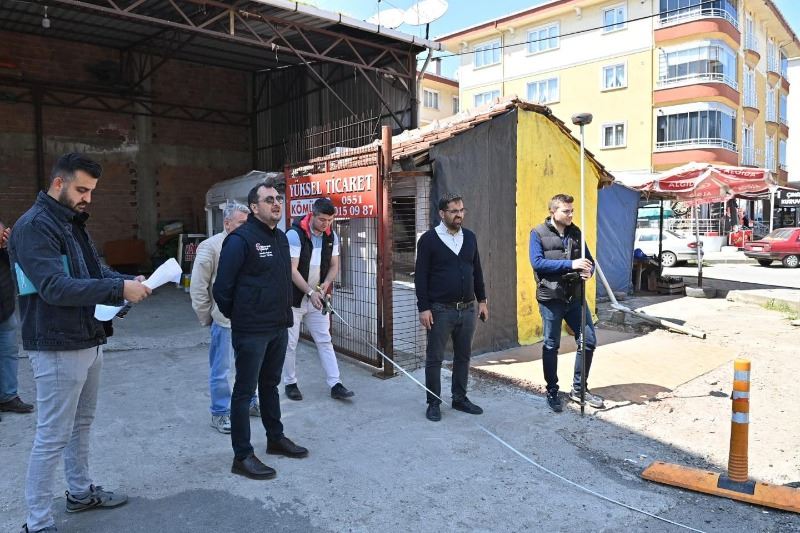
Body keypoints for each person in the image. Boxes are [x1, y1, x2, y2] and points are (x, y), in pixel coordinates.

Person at [9, 153, 151, 533]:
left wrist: (124, 281)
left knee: (81, 424)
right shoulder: (34, 227)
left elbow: (94, 271)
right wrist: (118, 289)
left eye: (91, 191)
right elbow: (54, 287)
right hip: (57, 344)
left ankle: (80, 492)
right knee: (52, 435)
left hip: (88, 336)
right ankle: (38, 523)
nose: (88, 198)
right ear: (59, 183)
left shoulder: (71, 223)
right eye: (82, 189)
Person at [213, 179, 308, 480]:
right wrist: (243, 316)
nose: (276, 203)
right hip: (252, 330)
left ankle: (275, 438)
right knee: (244, 391)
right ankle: (242, 455)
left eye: (278, 199)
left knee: (270, 385)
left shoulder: (280, 238)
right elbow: (222, 289)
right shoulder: (240, 240)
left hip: (278, 326)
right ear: (254, 207)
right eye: (269, 200)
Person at [415, 193, 488, 422]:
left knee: (463, 356)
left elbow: (476, 271)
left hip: (467, 309)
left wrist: (482, 300)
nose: (459, 215)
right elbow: (420, 277)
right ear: (442, 213)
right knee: (434, 358)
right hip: (440, 310)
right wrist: (424, 308)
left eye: (461, 210)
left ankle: (459, 398)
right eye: (454, 211)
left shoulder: (470, 237)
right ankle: (433, 402)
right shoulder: (429, 240)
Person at [529, 193, 604, 413]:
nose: (571, 215)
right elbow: (537, 263)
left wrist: (588, 271)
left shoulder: (576, 232)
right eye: (566, 211)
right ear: (553, 211)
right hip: (551, 298)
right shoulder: (537, 233)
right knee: (551, 345)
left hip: (575, 297)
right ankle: (552, 390)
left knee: (588, 340)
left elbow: (589, 261)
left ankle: (579, 389)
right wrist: (571, 264)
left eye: (572, 211)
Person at [190, 202, 260, 435]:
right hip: (224, 321)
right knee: (221, 370)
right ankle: (220, 412)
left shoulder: (251, 243)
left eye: (248, 223)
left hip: (250, 320)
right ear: (227, 223)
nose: (246, 227)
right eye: (241, 223)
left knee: (249, 366)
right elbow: (198, 287)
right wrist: (207, 317)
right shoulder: (210, 247)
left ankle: (250, 401)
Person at [282, 198, 354, 402]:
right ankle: (290, 383)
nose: (326, 224)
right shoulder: (294, 234)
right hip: (294, 299)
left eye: (330, 220)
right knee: (290, 343)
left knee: (324, 340)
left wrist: (324, 287)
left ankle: (335, 384)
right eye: (322, 219)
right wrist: (309, 292)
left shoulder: (332, 236)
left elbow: (334, 266)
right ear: (312, 215)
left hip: (317, 297)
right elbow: (291, 270)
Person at [0, 221, 34, 421]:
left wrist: (9, 246)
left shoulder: (4, 249)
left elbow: (18, 266)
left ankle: (8, 397)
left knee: (8, 354)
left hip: (6, 310)